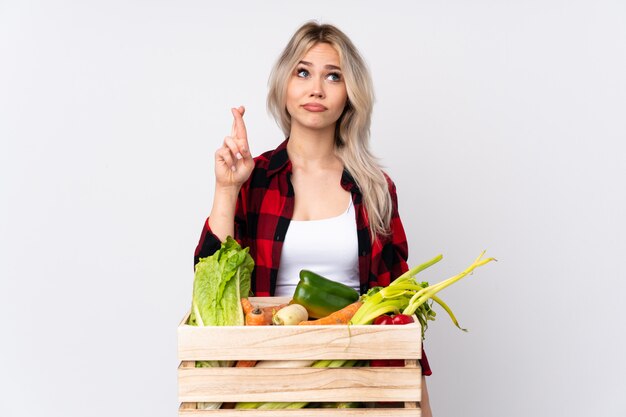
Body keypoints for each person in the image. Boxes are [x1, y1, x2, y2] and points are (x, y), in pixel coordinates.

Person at [194, 21, 433, 415]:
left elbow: (399, 313)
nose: (316, 88)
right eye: (302, 72)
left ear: (349, 95)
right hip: (266, 383)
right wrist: (226, 189)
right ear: (284, 87)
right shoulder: (255, 180)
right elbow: (209, 285)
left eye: (333, 76)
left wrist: (421, 406)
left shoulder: (373, 189)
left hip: (353, 383)